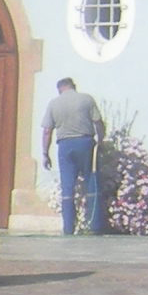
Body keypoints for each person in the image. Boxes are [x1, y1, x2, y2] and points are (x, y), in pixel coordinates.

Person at [42, 77, 105, 234]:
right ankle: (94, 226)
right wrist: (100, 141)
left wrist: (45, 153)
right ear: (74, 86)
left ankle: (68, 228)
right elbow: (98, 122)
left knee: (67, 187)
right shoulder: (86, 99)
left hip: (65, 145)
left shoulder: (54, 103)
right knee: (91, 182)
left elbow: (47, 131)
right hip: (85, 143)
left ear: (59, 89)